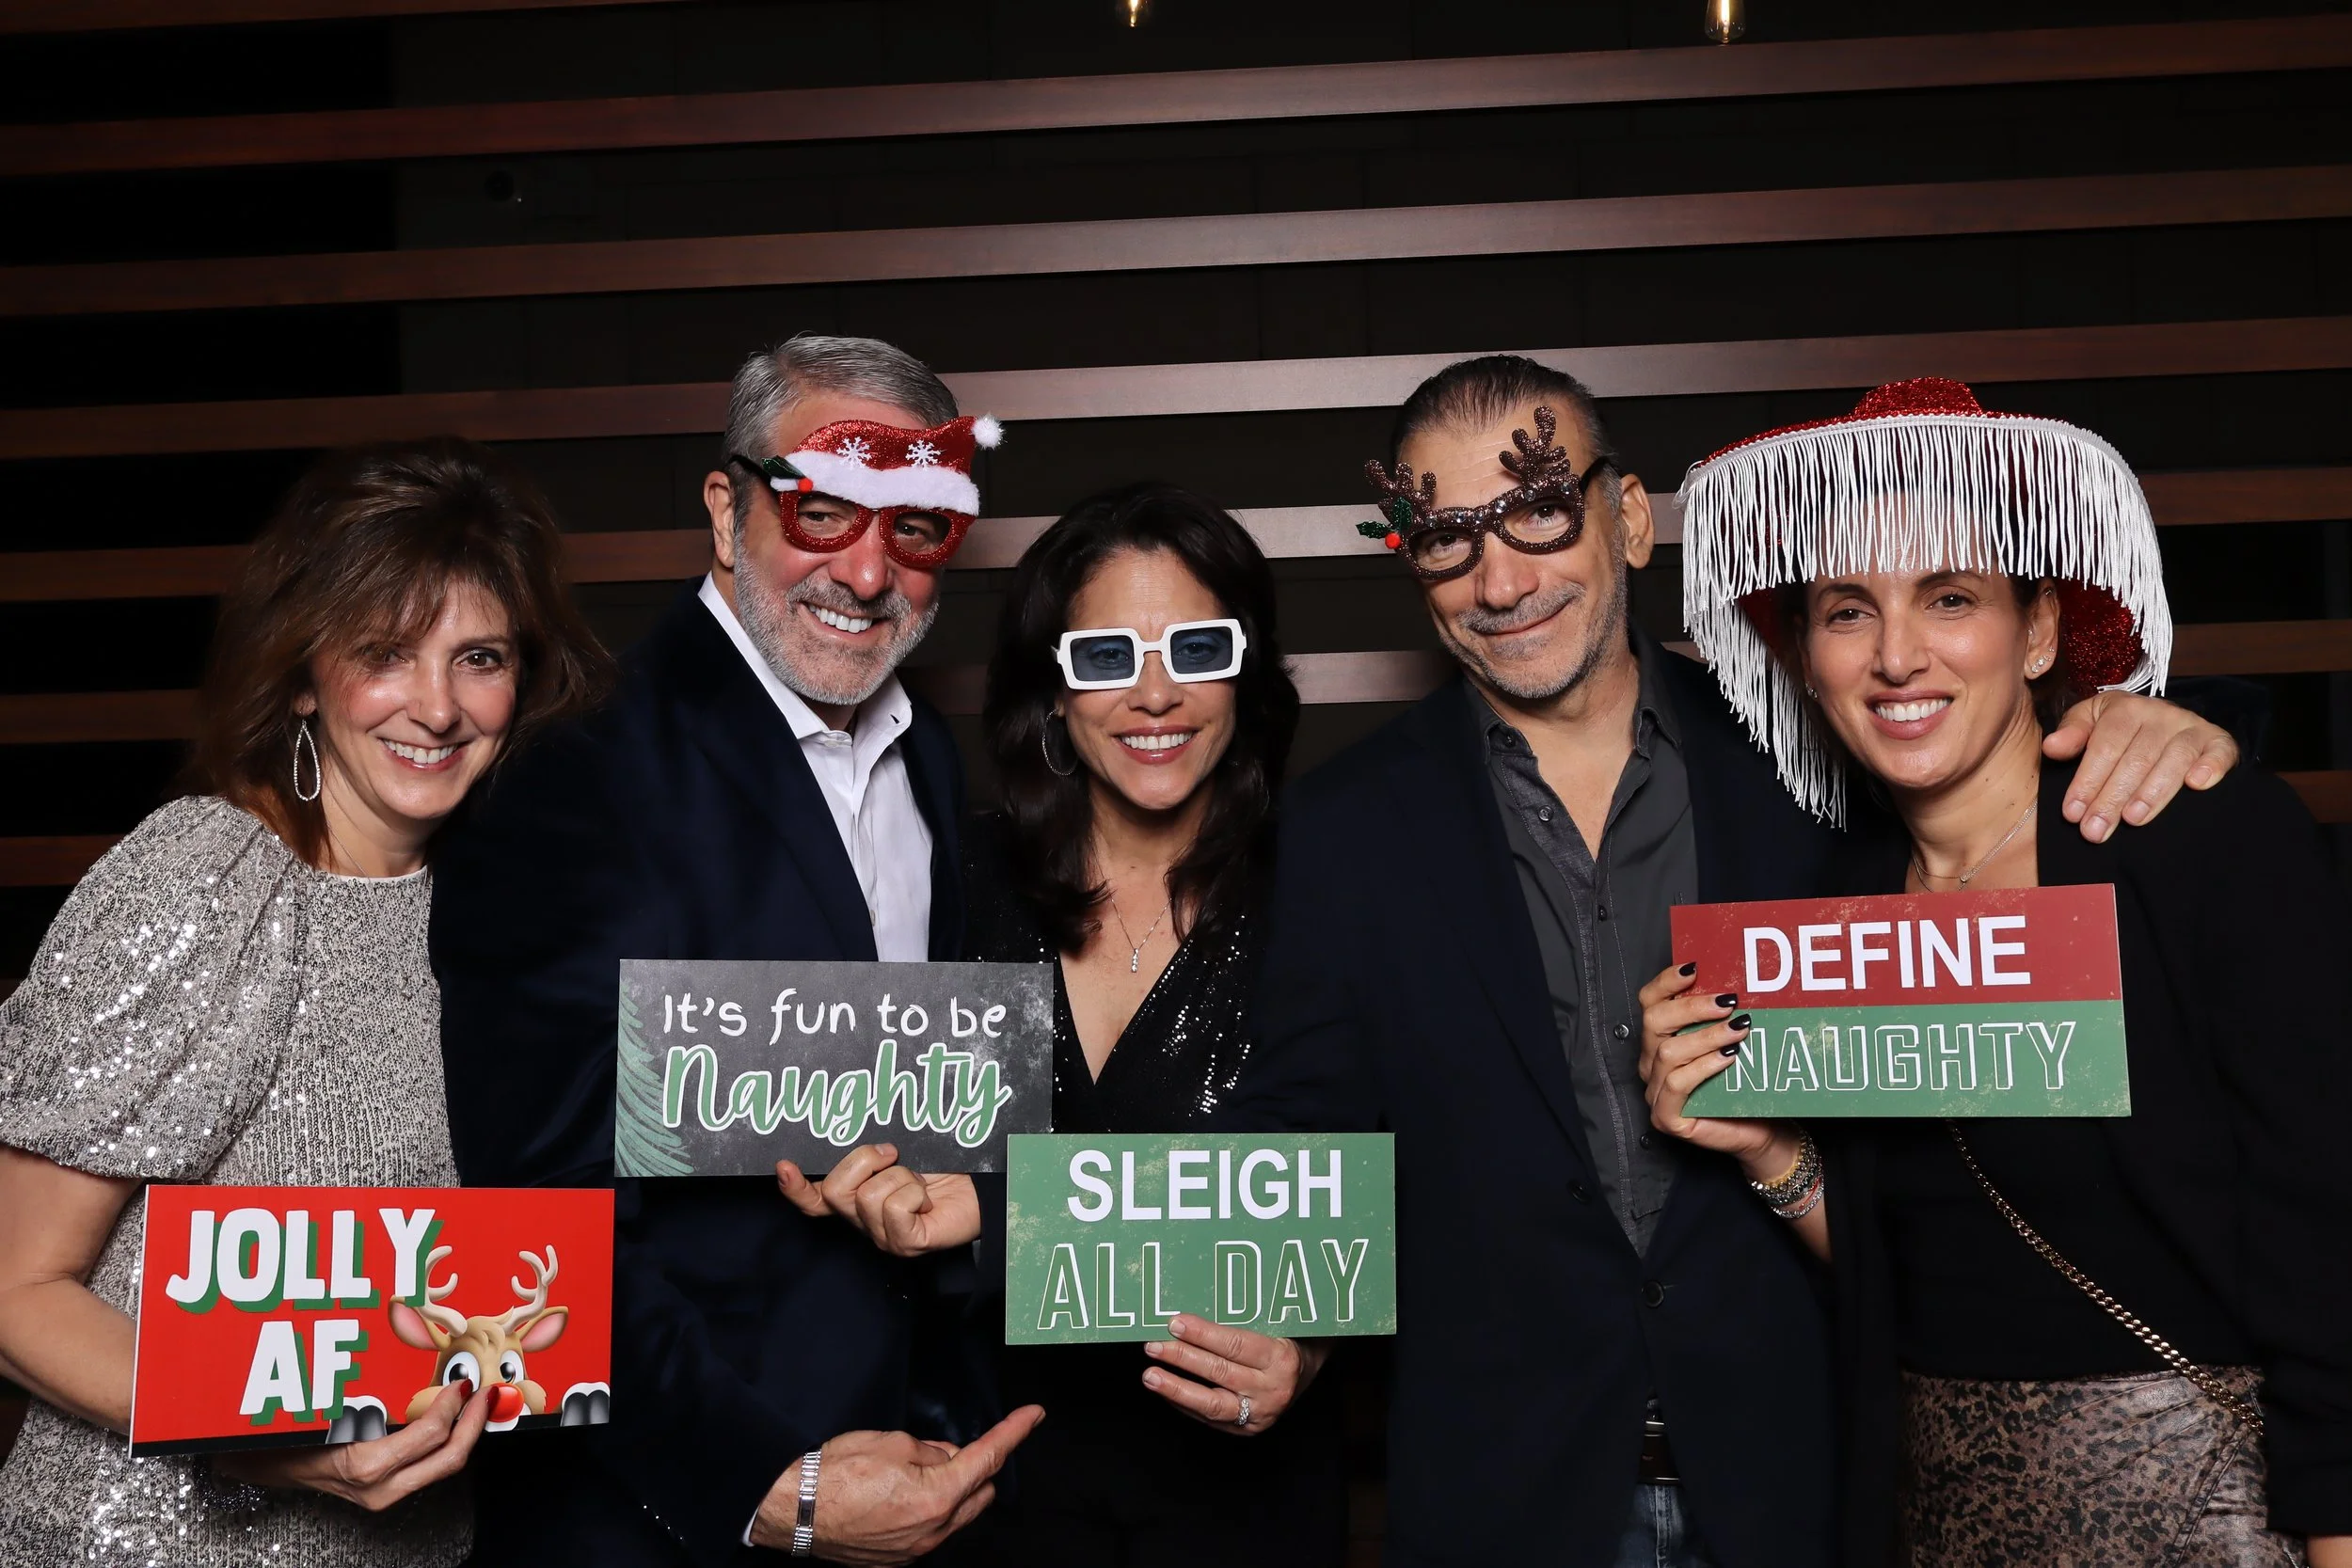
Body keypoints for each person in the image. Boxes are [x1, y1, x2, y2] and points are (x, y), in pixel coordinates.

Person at [1217, 355, 2245, 1567]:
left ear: (1631, 517)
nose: (1501, 578)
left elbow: (1996, 791)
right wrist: (1290, 1330)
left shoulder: (1820, 766)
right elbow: (1307, 1143)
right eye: (1444, 538)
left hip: (1806, 1480)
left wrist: (2147, 714)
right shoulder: (1340, 831)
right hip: (1506, 1496)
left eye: (1538, 509)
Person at [1639, 377, 2352, 1568]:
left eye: (1950, 597)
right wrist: (1765, 1149)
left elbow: (2328, 1241)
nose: (1897, 654)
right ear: (1804, 654)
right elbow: (1917, 1267)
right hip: (1949, 1518)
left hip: (2208, 1516)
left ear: (2034, 632)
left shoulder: (2195, 839)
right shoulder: (1833, 907)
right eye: (1846, 610)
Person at [430, 334, 1041, 1568]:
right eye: (822, 510)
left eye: (915, 525)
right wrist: (767, 1485)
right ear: (726, 507)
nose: (866, 571)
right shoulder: (573, 778)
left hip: (916, 1487)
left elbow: (932, 1114)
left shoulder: (926, 756)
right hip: (669, 1515)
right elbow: (527, 1211)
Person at [0, 438, 609, 1566]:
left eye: (477, 656)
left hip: (414, 1539)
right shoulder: (207, 878)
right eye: (385, 652)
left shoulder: (503, 906)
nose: (436, 706)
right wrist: (252, 1438)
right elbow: (13, 1284)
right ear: (299, 671)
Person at [958, 483, 1343, 1565]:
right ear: (1054, 694)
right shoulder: (958, 877)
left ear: (1249, 673)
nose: (1156, 695)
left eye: (1197, 649)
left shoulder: (1331, 888)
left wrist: (1312, 1349)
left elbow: (1417, 1172)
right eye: (1106, 658)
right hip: (998, 1488)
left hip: (1242, 1499)